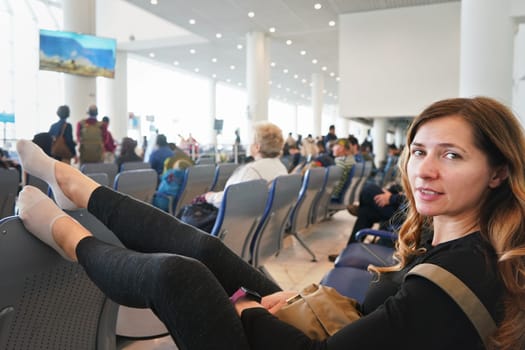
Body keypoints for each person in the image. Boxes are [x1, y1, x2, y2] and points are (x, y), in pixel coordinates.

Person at [14, 96, 525, 350]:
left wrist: (252, 312)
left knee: (182, 277)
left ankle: (66, 234)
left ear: (499, 171)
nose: (425, 170)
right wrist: (285, 304)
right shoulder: (463, 248)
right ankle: (75, 185)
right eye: (418, 151)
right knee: (208, 252)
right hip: (329, 328)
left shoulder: (458, 278)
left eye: (452, 155)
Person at [204, 121, 288, 208]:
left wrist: (210, 197)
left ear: (257, 147)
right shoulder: (281, 168)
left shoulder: (252, 170)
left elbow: (228, 199)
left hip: (239, 217)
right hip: (264, 217)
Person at [330, 138, 357, 203]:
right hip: (345, 195)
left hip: (335, 196)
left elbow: (336, 181)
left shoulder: (340, 161)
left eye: (334, 146)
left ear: (341, 148)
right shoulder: (351, 160)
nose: (332, 148)